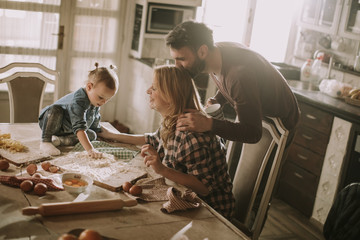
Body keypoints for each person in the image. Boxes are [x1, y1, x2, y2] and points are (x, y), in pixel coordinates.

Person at [103, 65, 235, 219]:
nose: (148, 91)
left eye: (154, 88)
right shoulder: (174, 118)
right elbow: (153, 138)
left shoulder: (191, 134)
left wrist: (162, 169)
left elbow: (204, 188)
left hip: (211, 212)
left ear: (171, 95)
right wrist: (113, 135)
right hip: (184, 194)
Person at [165, 21, 300, 144]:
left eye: (181, 59)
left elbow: (253, 133)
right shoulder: (216, 54)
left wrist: (209, 124)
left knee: (265, 170)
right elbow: (232, 82)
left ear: (202, 51)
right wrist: (218, 99)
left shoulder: (239, 76)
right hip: (258, 114)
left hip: (279, 122)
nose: (177, 66)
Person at [38, 63, 119, 158]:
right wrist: (90, 150)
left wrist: (102, 136)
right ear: (89, 87)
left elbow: (94, 127)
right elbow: (79, 128)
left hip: (69, 130)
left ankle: (59, 140)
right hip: (51, 122)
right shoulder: (79, 100)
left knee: (92, 135)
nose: (104, 102)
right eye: (101, 97)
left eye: (107, 99)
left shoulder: (96, 103)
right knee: (55, 110)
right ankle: (46, 140)